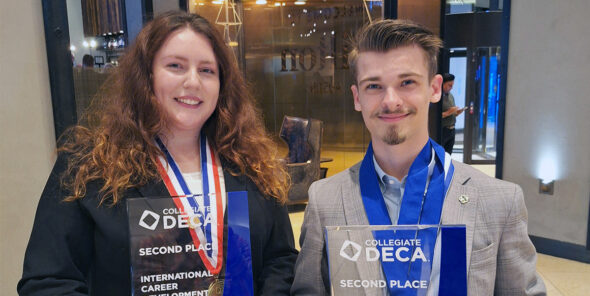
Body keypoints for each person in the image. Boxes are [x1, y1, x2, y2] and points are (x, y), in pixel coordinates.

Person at [18, 11, 297, 296]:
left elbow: (281, 260)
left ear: (222, 84)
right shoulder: (86, 167)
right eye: (175, 66)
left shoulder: (251, 163)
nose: (193, 82)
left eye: (207, 70)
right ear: (146, 77)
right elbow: (48, 282)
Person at [292, 19, 546, 295]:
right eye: (374, 86)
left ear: (434, 88)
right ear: (357, 97)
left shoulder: (499, 201)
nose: (391, 100)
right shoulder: (324, 200)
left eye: (407, 82)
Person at [441, 73, 464, 154]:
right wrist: (448, 112)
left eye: (452, 85)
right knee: (440, 155)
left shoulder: (451, 96)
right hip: (442, 130)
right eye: (449, 85)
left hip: (452, 130)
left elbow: (452, 113)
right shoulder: (437, 97)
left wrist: (457, 113)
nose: (451, 88)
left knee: (448, 155)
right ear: (442, 84)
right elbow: (433, 116)